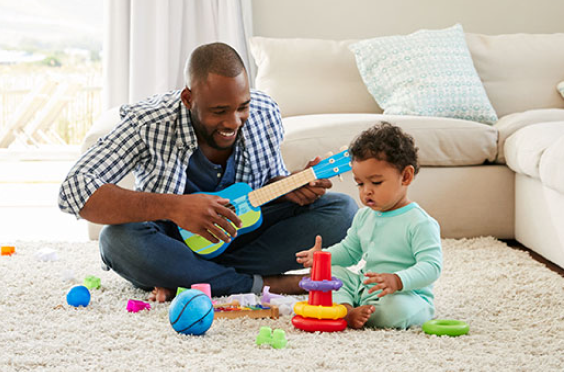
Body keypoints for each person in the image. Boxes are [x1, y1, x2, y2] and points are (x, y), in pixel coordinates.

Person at [58, 42, 357, 301]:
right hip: (171, 241)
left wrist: (290, 187)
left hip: (241, 238)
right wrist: (176, 208)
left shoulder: (264, 112)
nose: (234, 122)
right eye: (219, 111)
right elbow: (73, 190)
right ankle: (260, 283)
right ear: (188, 99)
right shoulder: (147, 123)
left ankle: (190, 278)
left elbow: (265, 191)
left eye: (242, 107)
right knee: (116, 240)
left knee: (342, 210)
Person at [294, 122, 442, 329]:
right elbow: (349, 252)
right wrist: (322, 258)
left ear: (406, 176)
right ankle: (346, 310)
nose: (366, 192)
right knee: (333, 274)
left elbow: (431, 267)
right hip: (365, 287)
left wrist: (397, 280)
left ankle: (349, 313)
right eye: (360, 184)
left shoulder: (420, 222)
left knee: (396, 311)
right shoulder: (364, 217)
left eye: (376, 182)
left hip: (405, 293)